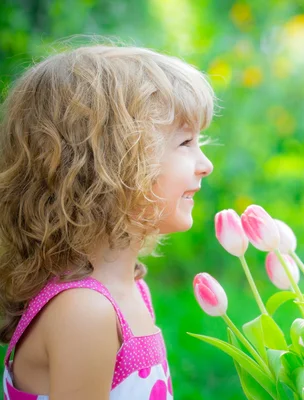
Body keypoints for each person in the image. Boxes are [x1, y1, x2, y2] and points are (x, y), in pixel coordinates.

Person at [0, 44, 214, 399]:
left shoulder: (128, 291)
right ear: (111, 166)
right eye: (185, 142)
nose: (205, 164)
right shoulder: (85, 311)